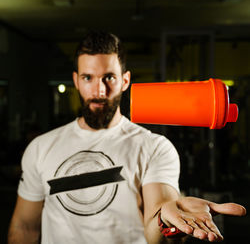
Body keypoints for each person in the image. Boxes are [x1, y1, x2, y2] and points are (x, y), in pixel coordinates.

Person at [8, 31, 246, 244]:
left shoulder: (155, 147)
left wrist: (166, 218)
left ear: (125, 80)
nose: (99, 90)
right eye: (88, 78)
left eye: (109, 77)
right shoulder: (41, 147)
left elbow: (156, 224)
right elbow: (24, 227)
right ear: (76, 81)